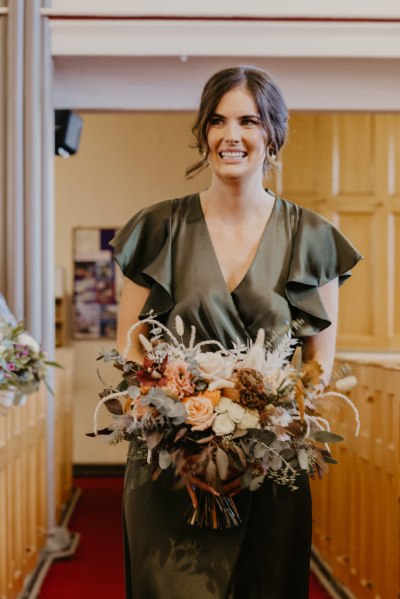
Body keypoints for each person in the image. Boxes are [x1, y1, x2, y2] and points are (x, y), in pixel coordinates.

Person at [110, 65, 363, 599]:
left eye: (249, 120)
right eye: (219, 121)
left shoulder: (312, 237)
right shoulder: (157, 228)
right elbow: (129, 351)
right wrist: (175, 410)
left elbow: (316, 371)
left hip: (267, 471)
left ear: (272, 132)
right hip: (171, 470)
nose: (232, 135)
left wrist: (260, 417)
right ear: (204, 132)